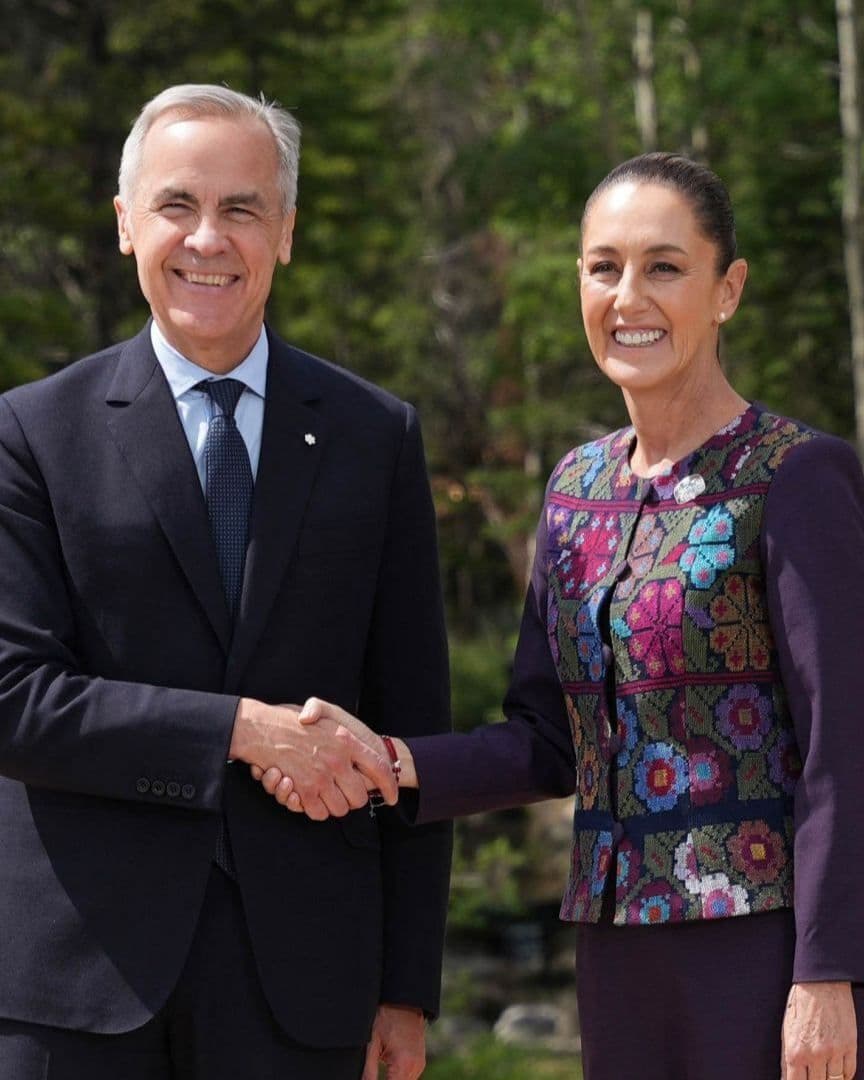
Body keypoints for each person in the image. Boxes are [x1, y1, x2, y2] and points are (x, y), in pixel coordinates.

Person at [267, 153, 864, 1080]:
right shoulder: (576, 490)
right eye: (604, 267)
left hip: (761, 949)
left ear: (727, 290)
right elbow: (548, 739)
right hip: (615, 951)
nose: (629, 296)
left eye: (664, 267)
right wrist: (390, 762)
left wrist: (828, 973)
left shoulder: (796, 475)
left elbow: (845, 746)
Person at [0, 84, 452, 1080]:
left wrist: (405, 984)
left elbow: (412, 720)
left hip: (305, 987)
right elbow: (14, 702)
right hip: (75, 989)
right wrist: (242, 730)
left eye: (242, 208)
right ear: (127, 223)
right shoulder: (30, 433)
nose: (208, 238)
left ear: (284, 233)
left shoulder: (375, 435)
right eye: (177, 205)